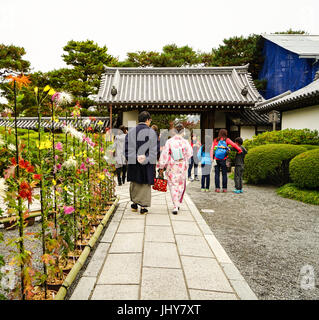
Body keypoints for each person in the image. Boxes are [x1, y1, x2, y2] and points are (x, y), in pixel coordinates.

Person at [125, 111, 160, 214]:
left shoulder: (131, 132)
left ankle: (134, 204)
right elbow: (155, 149)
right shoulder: (152, 132)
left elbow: (127, 148)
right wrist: (147, 158)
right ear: (148, 120)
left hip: (134, 162)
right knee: (145, 184)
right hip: (147, 163)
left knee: (135, 183)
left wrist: (135, 157)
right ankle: (143, 207)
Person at [158, 123, 193, 215]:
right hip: (182, 165)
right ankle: (177, 203)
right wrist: (183, 157)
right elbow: (190, 154)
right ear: (183, 131)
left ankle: (175, 205)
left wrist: (161, 166)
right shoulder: (185, 142)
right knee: (180, 184)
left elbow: (165, 155)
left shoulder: (169, 141)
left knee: (173, 185)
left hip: (172, 165)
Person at [210, 129, 242, 193]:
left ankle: (217, 188)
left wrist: (211, 158)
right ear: (225, 133)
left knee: (217, 174)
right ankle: (224, 189)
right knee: (224, 174)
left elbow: (212, 148)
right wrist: (240, 150)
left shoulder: (216, 140)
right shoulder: (227, 139)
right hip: (224, 159)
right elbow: (234, 145)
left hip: (216, 159)